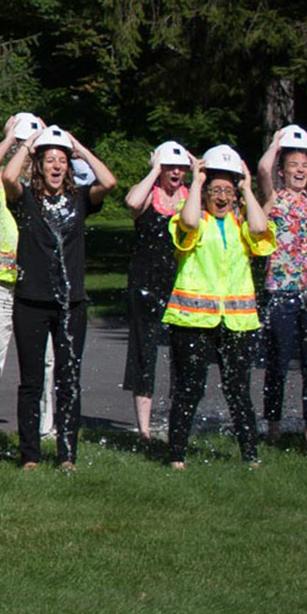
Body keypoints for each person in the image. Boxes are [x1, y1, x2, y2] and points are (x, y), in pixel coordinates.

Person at [1, 125, 117, 470]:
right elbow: (8, 177)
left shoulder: (80, 198)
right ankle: (30, 455)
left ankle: (67, 455)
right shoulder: (25, 199)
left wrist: (79, 148)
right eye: (49, 160)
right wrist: (29, 146)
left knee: (68, 380)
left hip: (71, 305)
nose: (55, 166)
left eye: (61, 161)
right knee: (31, 383)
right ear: (39, 165)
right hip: (31, 303)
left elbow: (108, 183)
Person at [162, 146, 273, 468]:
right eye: (215, 191)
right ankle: (177, 455)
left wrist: (247, 189)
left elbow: (259, 229)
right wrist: (196, 184)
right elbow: (189, 219)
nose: (222, 197)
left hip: (237, 322)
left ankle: (250, 456)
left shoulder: (242, 224)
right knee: (189, 388)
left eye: (228, 191)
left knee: (238, 391)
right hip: (192, 319)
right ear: (205, 193)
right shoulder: (193, 220)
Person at [0, 113, 52, 445]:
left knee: (45, 362)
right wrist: (14, 140)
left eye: (33, 151)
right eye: (22, 150)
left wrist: (46, 141)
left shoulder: (51, 184)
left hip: (36, 286)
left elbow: (88, 178)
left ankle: (44, 427)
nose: (28, 157)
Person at [255, 126, 307, 444]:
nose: (300, 170)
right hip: (280, 290)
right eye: (293, 165)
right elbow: (261, 168)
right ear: (282, 171)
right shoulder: (273, 198)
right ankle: (273, 424)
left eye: (305, 165)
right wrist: (276, 143)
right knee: (278, 362)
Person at [120, 141, 193, 441]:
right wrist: (154, 171)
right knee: (144, 351)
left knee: (183, 352)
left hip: (183, 283)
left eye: (180, 168)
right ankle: (145, 429)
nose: (175, 172)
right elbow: (132, 204)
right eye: (169, 167)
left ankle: (179, 418)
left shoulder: (191, 197)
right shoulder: (148, 194)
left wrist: (198, 173)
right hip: (145, 283)